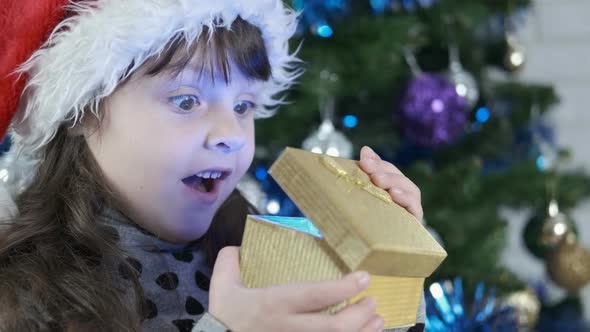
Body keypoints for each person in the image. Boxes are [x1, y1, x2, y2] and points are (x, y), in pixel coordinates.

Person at [0, 0, 426, 331]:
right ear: (83, 112)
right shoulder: (22, 290)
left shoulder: (264, 251)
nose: (233, 133)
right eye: (186, 101)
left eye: (244, 105)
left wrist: (391, 274)